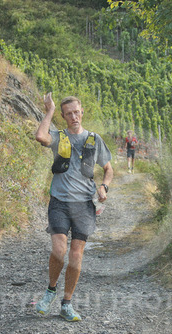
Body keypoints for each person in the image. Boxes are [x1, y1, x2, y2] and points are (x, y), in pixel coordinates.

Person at [34, 93, 113, 321]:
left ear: (82, 112)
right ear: (63, 116)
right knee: (59, 250)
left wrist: (104, 187)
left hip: (85, 205)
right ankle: (50, 290)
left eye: (76, 112)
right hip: (59, 202)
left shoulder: (94, 139)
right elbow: (40, 136)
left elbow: (108, 169)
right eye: (68, 114)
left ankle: (66, 304)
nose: (74, 117)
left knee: (76, 255)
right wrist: (49, 111)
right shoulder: (58, 137)